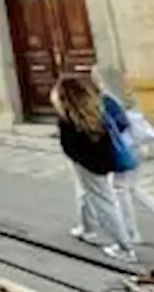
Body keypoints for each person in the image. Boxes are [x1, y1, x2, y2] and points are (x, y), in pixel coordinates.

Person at [51, 76, 136, 262]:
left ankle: (125, 247)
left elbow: (69, 146)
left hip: (88, 164)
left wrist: (77, 157)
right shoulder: (94, 110)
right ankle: (88, 228)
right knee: (94, 197)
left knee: (104, 204)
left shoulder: (69, 118)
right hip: (102, 161)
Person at [92, 66, 154, 244]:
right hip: (138, 145)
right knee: (132, 187)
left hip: (126, 148)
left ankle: (131, 233)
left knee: (120, 189)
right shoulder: (126, 94)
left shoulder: (107, 99)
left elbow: (119, 125)